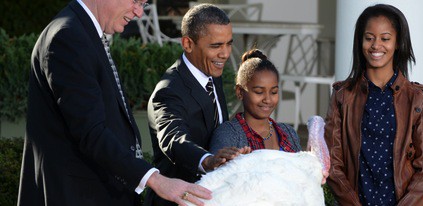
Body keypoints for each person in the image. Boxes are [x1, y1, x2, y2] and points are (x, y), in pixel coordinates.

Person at [17, 0, 212, 205]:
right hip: (78, 195)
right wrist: (156, 180)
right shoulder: (68, 36)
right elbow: (90, 131)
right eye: (136, 1)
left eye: (143, 4)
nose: (139, 13)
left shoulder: (82, 31)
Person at [324, 4, 423, 206]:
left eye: (385, 38)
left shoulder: (418, 99)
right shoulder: (342, 96)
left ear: (397, 43)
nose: (376, 45)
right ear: (360, 42)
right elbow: (333, 163)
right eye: (369, 38)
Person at [145, 4, 249, 206]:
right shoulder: (168, 90)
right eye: (216, 46)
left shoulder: (210, 73)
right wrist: (207, 161)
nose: (225, 53)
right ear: (188, 44)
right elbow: (173, 139)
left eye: (229, 44)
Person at [210, 49, 302, 153]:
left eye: (274, 92)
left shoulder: (288, 133)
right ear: (240, 92)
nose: (267, 99)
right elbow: (220, 168)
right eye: (259, 92)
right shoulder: (228, 135)